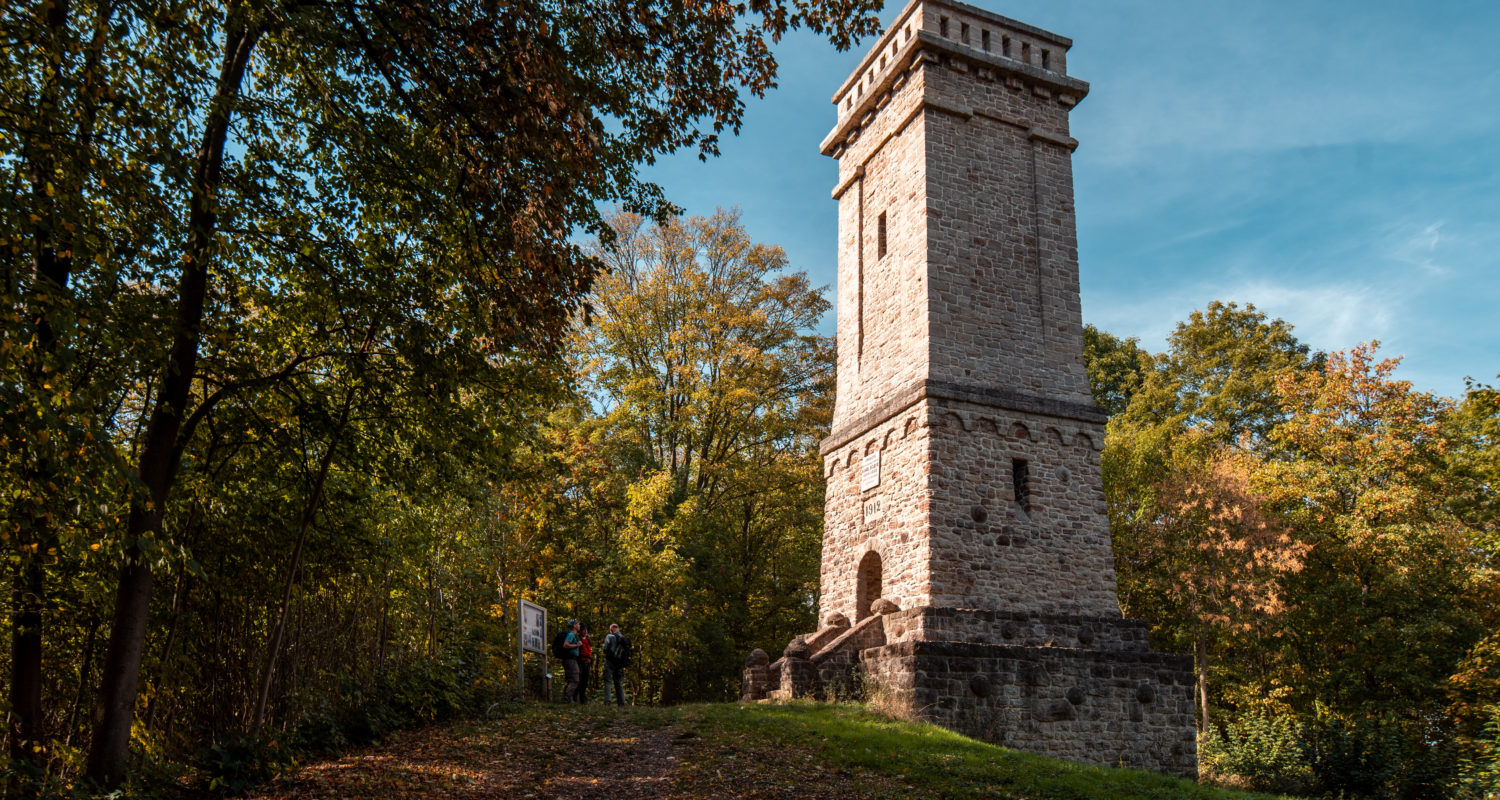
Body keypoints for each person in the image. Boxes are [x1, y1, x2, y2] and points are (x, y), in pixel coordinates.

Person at [601, 622, 631, 706]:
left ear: (611, 630)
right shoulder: (623, 638)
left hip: (610, 662)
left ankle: (607, 701)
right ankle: (621, 702)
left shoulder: (610, 636)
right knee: (618, 682)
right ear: (618, 629)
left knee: (608, 681)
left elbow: (606, 649)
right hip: (620, 663)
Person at [561, 619, 582, 702]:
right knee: (575, 679)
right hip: (570, 659)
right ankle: (567, 698)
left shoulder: (574, 635)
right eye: (578, 624)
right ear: (574, 626)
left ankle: (567, 698)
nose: (579, 625)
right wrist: (576, 645)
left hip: (570, 659)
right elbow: (565, 645)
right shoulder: (571, 634)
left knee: (570, 679)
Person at [577, 624, 594, 704]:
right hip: (580, 661)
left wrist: (590, 664)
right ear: (580, 631)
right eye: (583, 630)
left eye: (586, 630)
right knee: (579, 680)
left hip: (587, 661)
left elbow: (589, 651)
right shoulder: (577, 638)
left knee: (585, 681)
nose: (585, 632)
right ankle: (575, 697)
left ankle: (583, 698)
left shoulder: (588, 639)